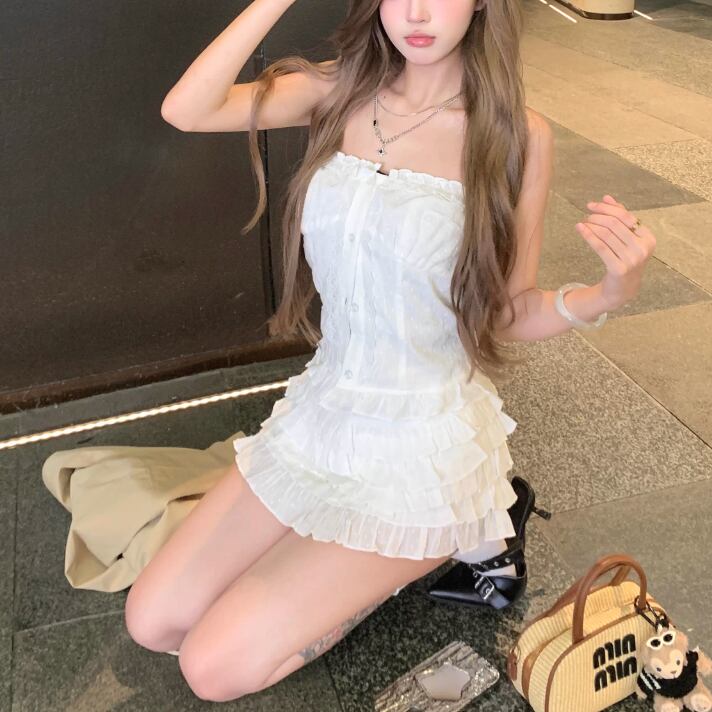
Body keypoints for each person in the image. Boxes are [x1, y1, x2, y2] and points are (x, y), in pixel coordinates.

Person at [125, 0, 658, 703]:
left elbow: (507, 311)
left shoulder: (514, 136)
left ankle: (455, 535)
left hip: (422, 453)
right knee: (152, 622)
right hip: (325, 412)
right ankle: (407, 548)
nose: (416, 11)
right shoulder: (338, 90)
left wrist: (605, 294)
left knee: (210, 667)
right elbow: (187, 109)